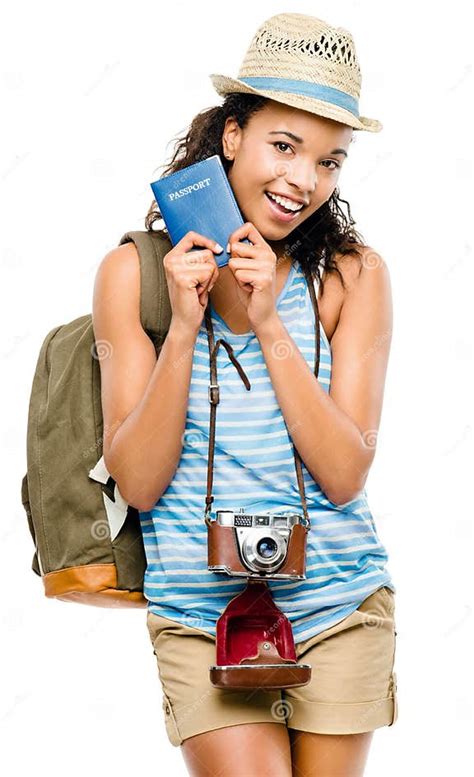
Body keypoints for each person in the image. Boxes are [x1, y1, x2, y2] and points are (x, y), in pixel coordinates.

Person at [92, 12, 397, 777]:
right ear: (232, 134)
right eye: (284, 145)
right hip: (201, 614)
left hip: (338, 605)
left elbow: (345, 471)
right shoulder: (134, 276)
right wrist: (187, 330)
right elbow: (136, 479)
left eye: (330, 160)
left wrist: (270, 326)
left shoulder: (351, 277)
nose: (304, 181)